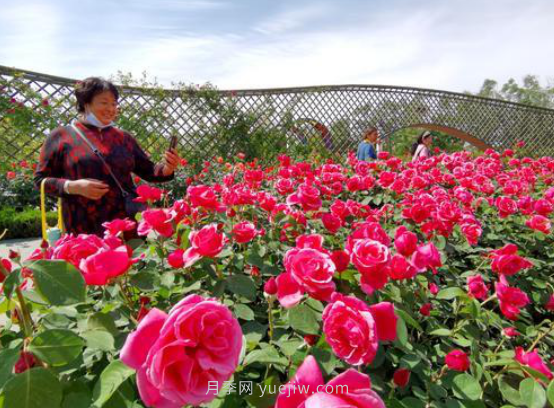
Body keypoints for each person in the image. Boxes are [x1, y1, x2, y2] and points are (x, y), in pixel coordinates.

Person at [34, 77, 181, 236]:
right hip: (84, 228)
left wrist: (167, 168)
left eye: (114, 104)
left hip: (125, 226)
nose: (111, 108)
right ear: (86, 103)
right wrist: (72, 186)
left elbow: (149, 171)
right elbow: (40, 181)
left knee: (129, 259)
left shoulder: (123, 138)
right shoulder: (62, 137)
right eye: (104, 103)